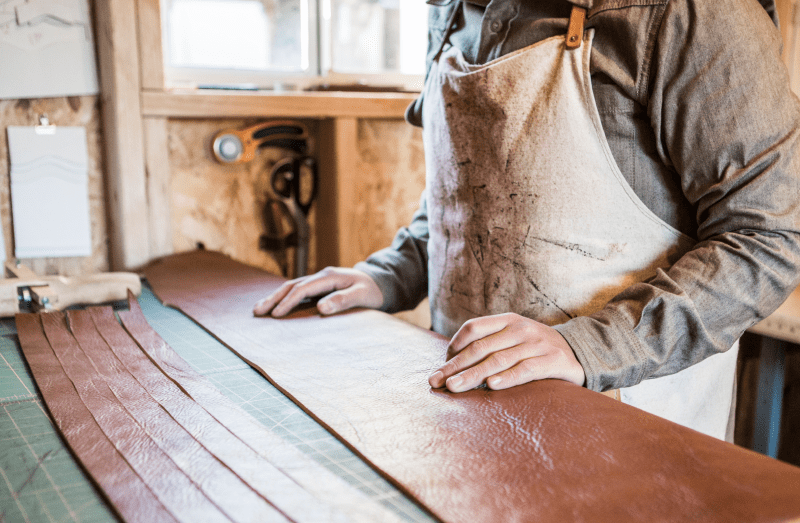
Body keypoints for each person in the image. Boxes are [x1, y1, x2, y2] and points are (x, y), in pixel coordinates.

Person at [254, 0, 800, 441]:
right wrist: (389, 273)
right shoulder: (450, 11)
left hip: (625, 429)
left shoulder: (696, 14)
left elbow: (768, 236)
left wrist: (588, 345)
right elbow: (473, 192)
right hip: (465, 413)